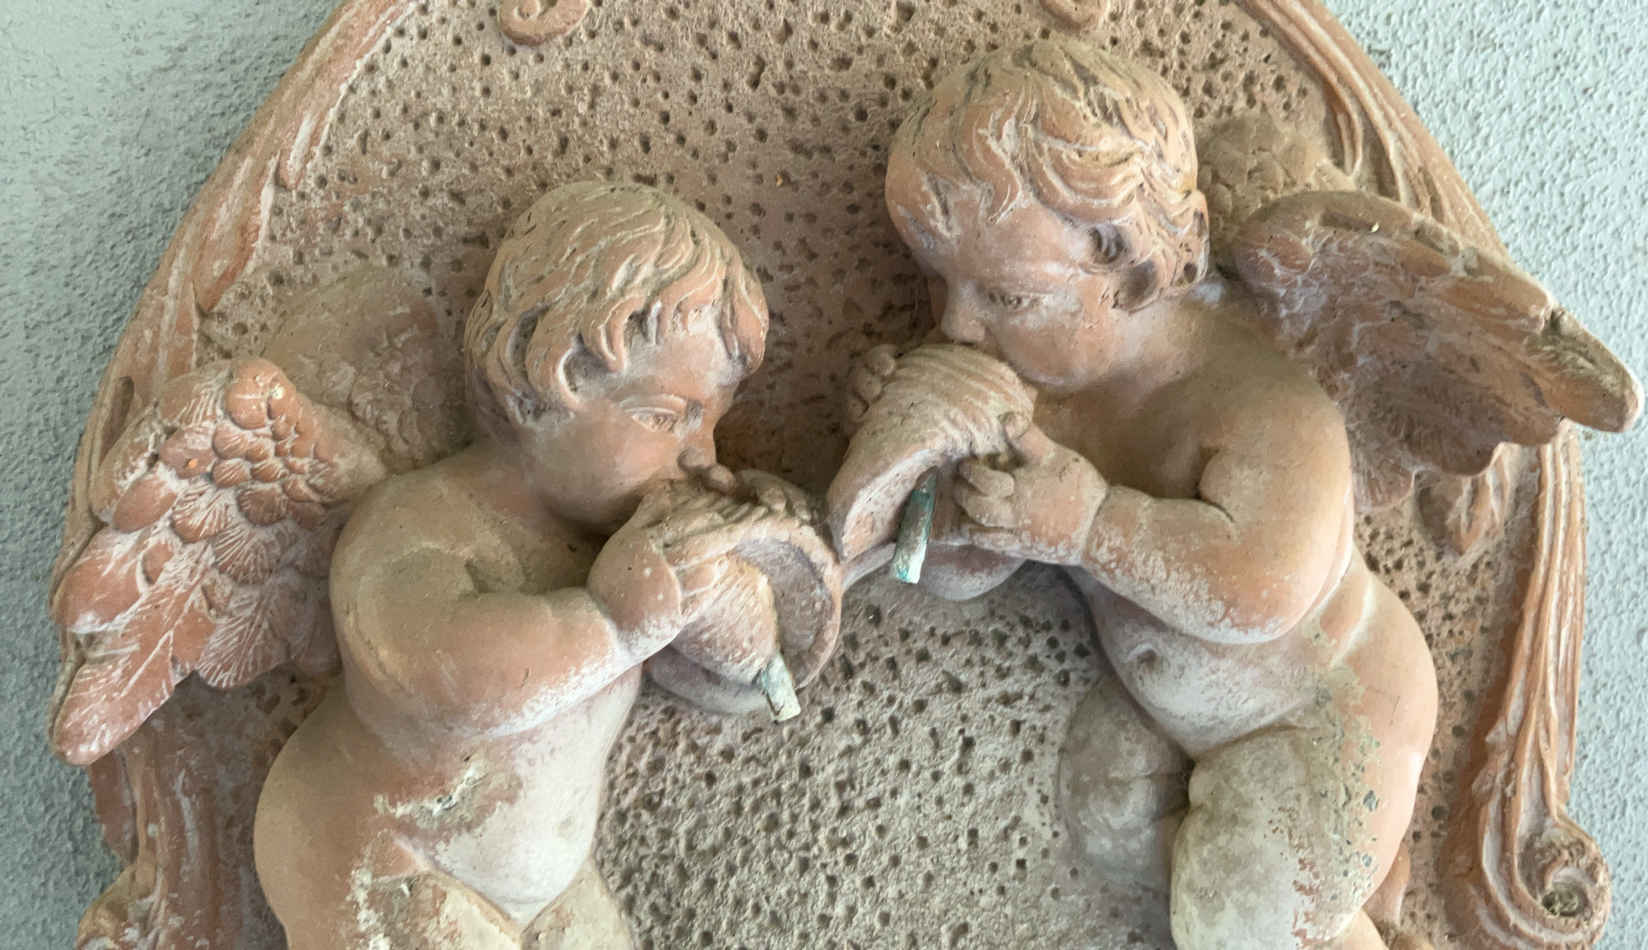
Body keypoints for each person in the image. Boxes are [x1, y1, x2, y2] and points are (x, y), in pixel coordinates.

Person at [854, 39, 1436, 950]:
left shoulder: (1262, 407)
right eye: (941, 284)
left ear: (1140, 267)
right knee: (1105, 808)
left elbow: (1261, 588)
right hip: (1178, 720)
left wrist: (1091, 527)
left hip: (1328, 714)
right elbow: (958, 573)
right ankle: (1330, 900)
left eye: (1006, 295)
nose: (956, 326)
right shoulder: (1036, 394)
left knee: (1245, 910)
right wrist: (917, 473)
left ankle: (1329, 910)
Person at [255, 182, 782, 948]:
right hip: (387, 860)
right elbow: (439, 671)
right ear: (548, 385)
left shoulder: (617, 544)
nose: (702, 457)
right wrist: (613, 623)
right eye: (666, 418)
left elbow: (717, 677)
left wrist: (738, 631)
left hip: (548, 886)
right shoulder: (421, 521)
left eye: (711, 426)